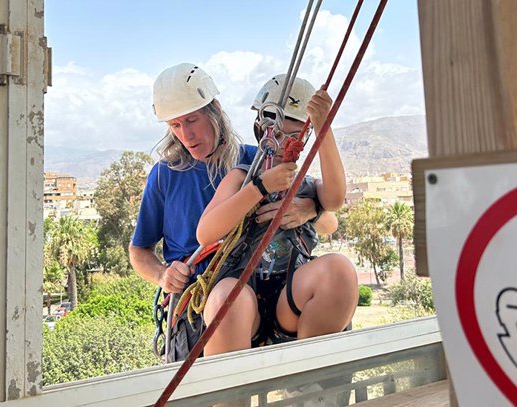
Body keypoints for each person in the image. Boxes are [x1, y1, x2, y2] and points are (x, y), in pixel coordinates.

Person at [128, 63, 335, 362]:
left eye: (192, 120)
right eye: (175, 125)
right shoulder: (165, 175)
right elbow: (139, 250)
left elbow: (328, 222)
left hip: (255, 299)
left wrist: (310, 209)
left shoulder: (258, 160)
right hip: (199, 308)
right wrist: (162, 275)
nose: (186, 135)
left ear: (215, 110)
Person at [195, 75, 358, 357]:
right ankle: (230, 398)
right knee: (226, 300)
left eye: (293, 136)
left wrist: (324, 128)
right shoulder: (242, 177)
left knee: (340, 270)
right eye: (277, 134)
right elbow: (206, 233)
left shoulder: (306, 187)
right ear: (261, 130)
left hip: (291, 296)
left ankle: (308, 388)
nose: (283, 144)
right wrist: (260, 187)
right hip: (244, 294)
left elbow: (334, 200)